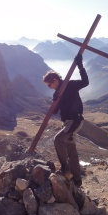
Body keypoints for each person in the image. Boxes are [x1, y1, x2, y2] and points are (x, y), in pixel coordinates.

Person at [42, 53, 89, 187]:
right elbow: (56, 111)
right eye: (48, 85)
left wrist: (80, 65)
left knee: (58, 140)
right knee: (71, 150)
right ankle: (77, 180)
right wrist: (55, 101)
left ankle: (65, 168)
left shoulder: (70, 84)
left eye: (50, 84)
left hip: (75, 121)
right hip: (68, 122)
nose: (49, 86)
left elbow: (85, 82)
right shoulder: (57, 93)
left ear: (56, 79)